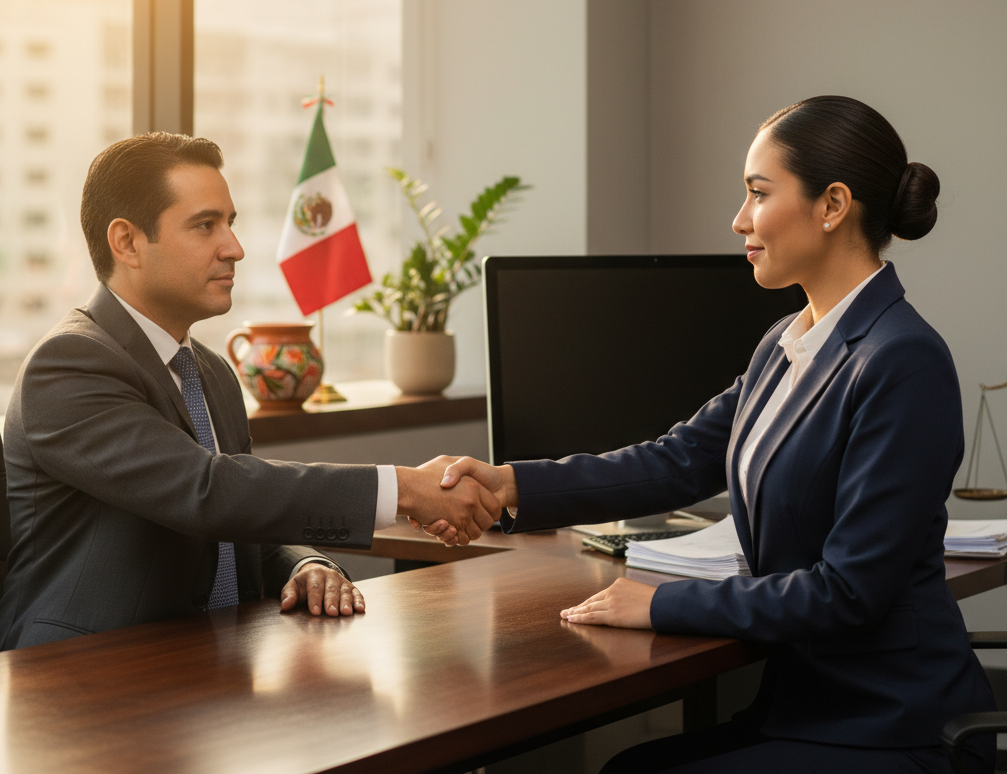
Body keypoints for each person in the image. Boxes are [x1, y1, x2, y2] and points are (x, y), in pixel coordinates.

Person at [421, 97, 996, 773]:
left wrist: (663, 602)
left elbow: (849, 592)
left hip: (889, 725)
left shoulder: (902, 360)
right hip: (806, 703)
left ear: (833, 205)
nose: (739, 219)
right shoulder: (786, 341)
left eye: (758, 193)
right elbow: (680, 459)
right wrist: (512, 482)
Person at [0, 133, 500, 653]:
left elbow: (242, 516)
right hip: (74, 676)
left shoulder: (210, 372)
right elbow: (206, 492)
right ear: (127, 242)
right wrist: (406, 488)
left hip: (204, 664)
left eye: (231, 223)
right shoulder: (69, 365)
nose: (235, 247)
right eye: (205, 225)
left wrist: (304, 562)